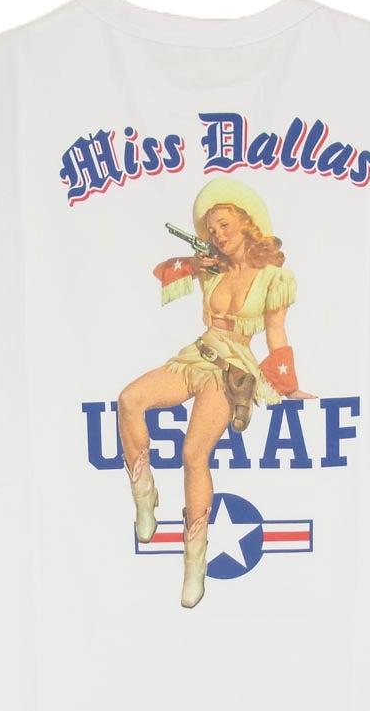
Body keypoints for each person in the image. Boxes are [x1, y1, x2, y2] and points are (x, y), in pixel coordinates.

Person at [117, 177, 316, 609]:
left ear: (246, 222)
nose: (219, 234)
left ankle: (194, 562)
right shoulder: (211, 267)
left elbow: (276, 334)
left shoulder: (274, 278)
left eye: (225, 224)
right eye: (212, 229)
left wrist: (288, 386)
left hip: (232, 369)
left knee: (193, 454)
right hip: (197, 355)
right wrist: (195, 263)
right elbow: (166, 271)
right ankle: (145, 497)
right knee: (129, 400)